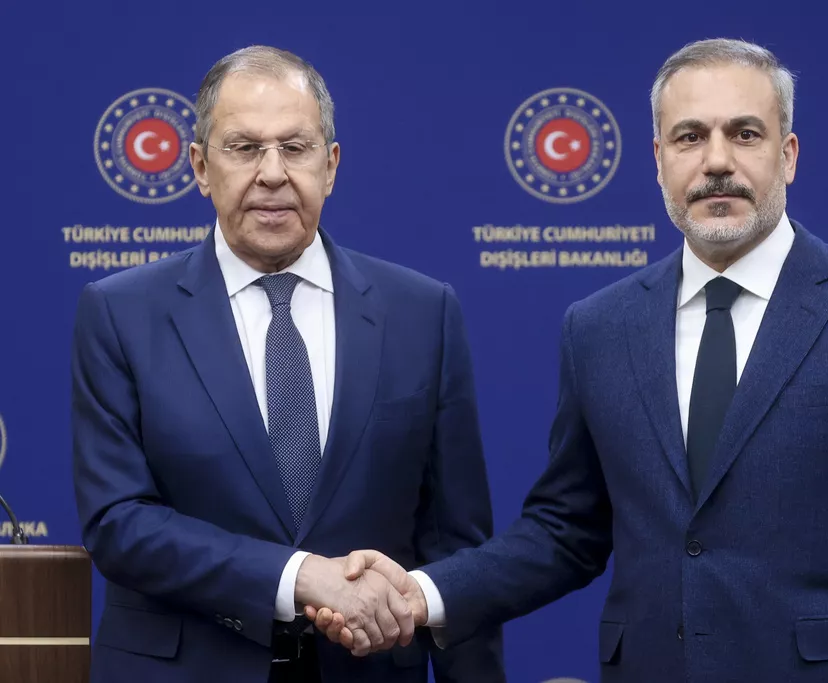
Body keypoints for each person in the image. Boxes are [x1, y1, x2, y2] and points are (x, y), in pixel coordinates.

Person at [311, 38, 828, 682]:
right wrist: (422, 592)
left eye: (745, 133)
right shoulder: (599, 327)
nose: (717, 160)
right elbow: (566, 531)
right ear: (658, 159)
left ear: (789, 154)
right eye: (690, 136)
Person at [70, 45, 504, 683]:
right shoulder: (120, 312)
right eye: (244, 148)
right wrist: (300, 576)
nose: (272, 173)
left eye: (295, 148)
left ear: (331, 166)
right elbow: (118, 522)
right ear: (200, 167)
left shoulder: (422, 312)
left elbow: (456, 546)